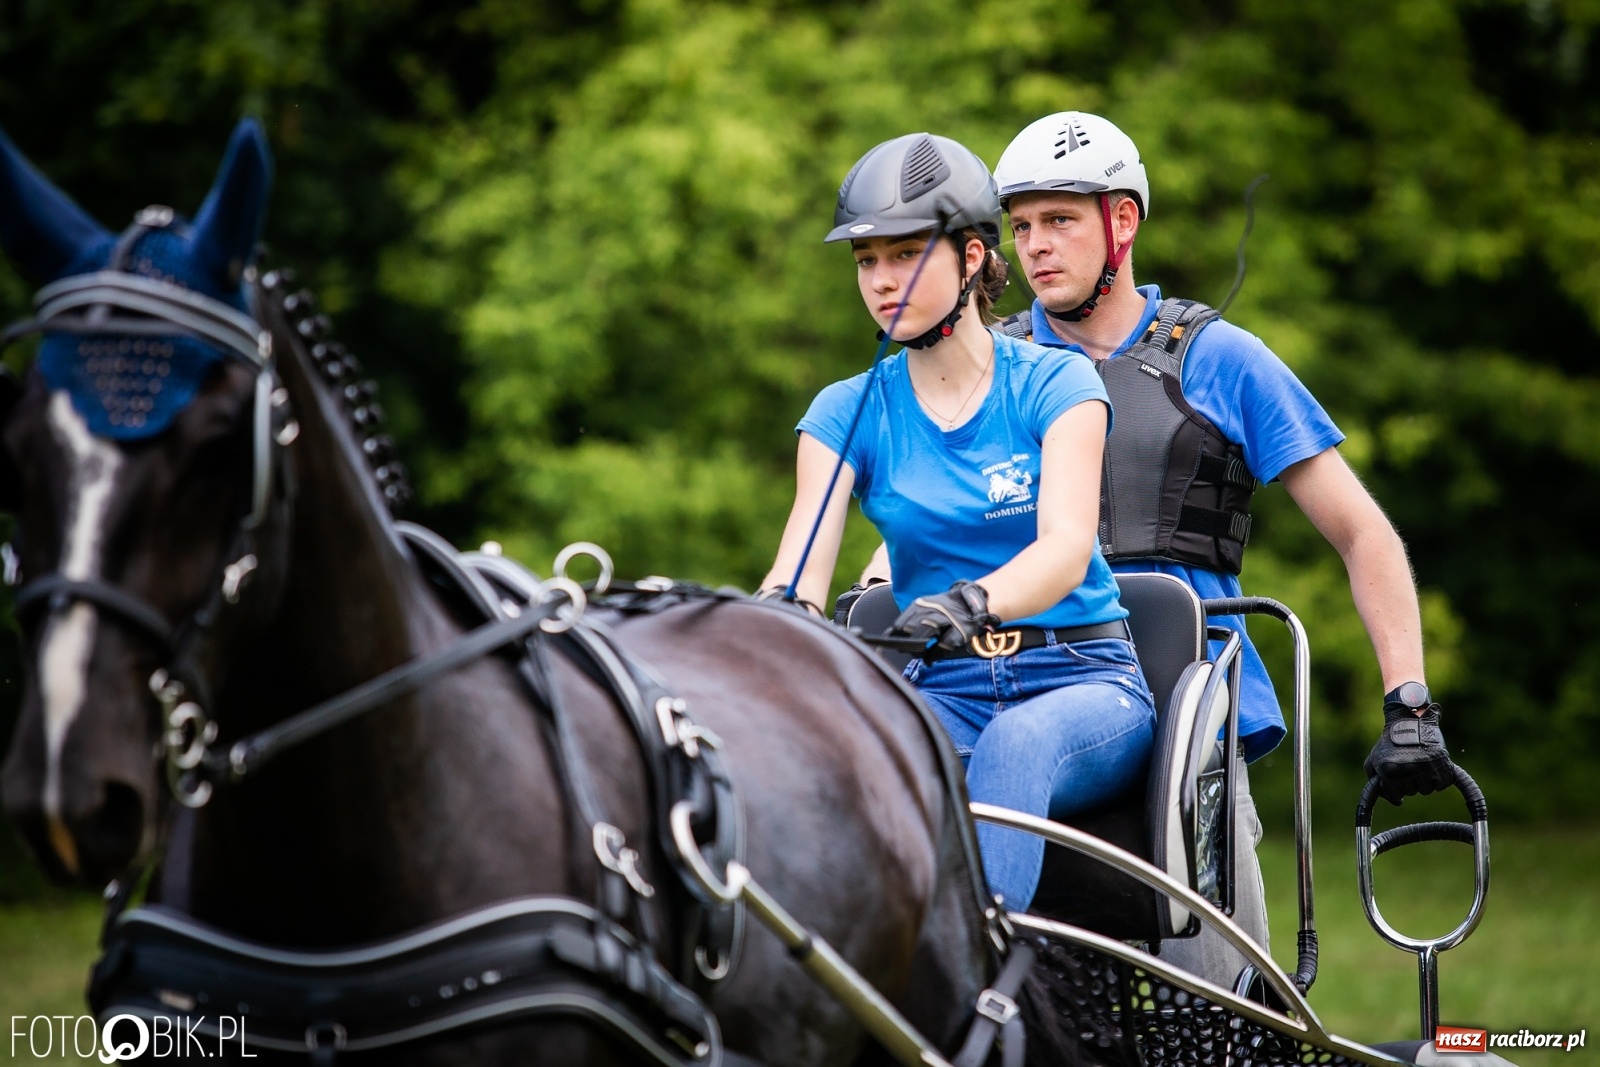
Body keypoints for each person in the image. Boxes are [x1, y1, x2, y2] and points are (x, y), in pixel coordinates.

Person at [961, 110, 1448, 983]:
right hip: (1021, 684)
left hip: (1188, 706)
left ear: (1123, 222)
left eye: (1060, 219)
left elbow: (1360, 529)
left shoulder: (1219, 359)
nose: (1035, 246)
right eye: (1021, 225)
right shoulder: (989, 364)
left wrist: (1407, 702)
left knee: (1220, 1005)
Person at [759, 132, 1158, 912]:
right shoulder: (846, 409)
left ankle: (981, 981)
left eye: (904, 255)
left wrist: (966, 602)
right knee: (842, 754)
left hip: (1081, 677)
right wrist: (761, 622)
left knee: (1016, 743)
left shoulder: (1058, 381)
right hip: (941, 685)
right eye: (866, 262)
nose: (880, 282)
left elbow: (1066, 550)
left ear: (972, 257)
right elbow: (800, 568)